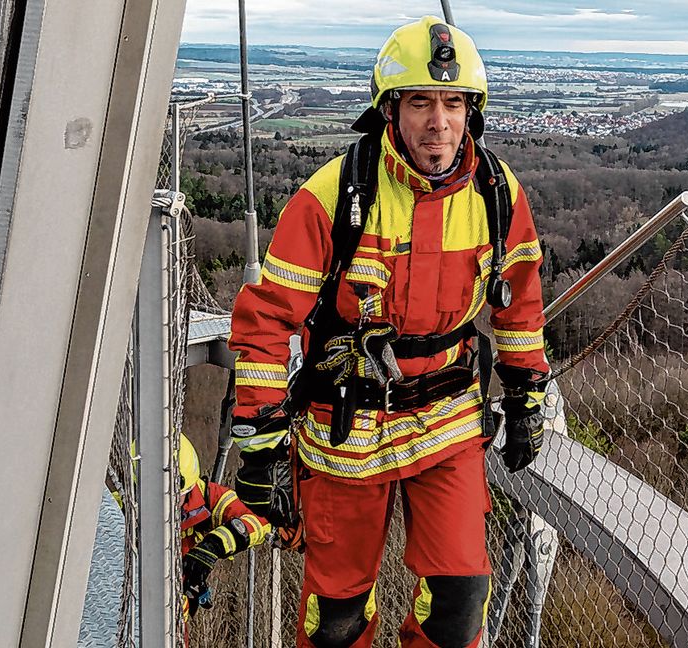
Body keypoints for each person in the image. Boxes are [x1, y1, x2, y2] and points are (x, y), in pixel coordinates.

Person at [227, 15, 549, 648]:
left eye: (454, 102)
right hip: (346, 423)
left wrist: (525, 392)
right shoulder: (332, 196)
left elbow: (520, 304)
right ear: (389, 110)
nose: (439, 121)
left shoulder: (497, 194)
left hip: (447, 418)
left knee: (459, 602)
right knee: (338, 617)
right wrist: (260, 439)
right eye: (421, 101)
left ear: (472, 112)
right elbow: (266, 319)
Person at [177, 435, 270, 621]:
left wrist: (213, 546)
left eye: (179, 495)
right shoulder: (121, 511)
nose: (172, 504)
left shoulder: (202, 496)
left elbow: (259, 519)